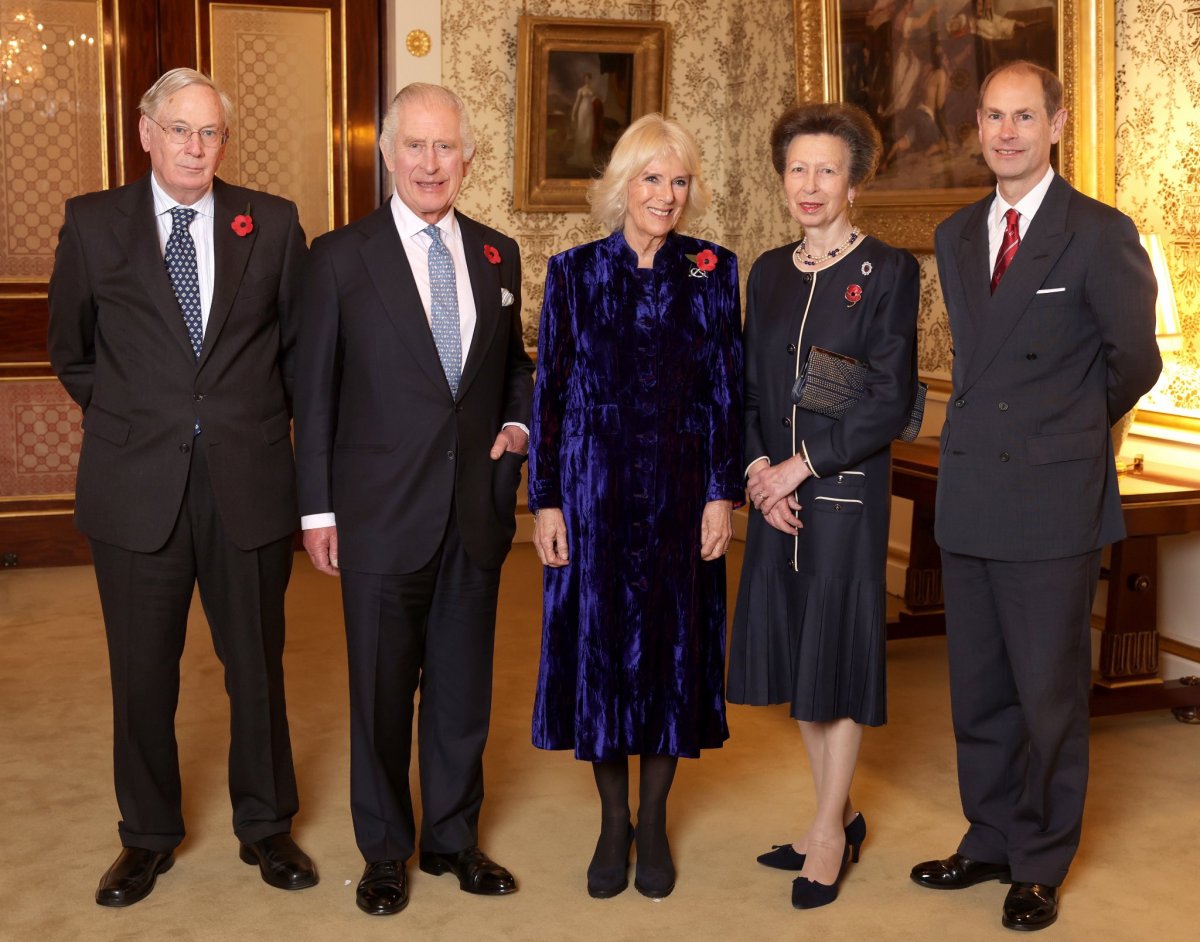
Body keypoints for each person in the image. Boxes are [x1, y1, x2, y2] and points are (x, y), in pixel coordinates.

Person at [46, 68, 316, 907]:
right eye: (180, 130)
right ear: (146, 133)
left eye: (210, 133)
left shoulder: (270, 223)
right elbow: (73, 350)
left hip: (249, 481)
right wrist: (141, 420)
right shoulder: (93, 224)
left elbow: (299, 350)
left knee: (257, 668)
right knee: (142, 674)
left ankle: (266, 826)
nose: (196, 147)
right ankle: (148, 837)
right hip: (136, 487)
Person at [910, 61, 1161, 932]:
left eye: (1025, 117)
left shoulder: (1098, 233)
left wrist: (1064, 433)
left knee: (1049, 695)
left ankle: (1041, 859)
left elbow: (1136, 362)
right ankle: (988, 836)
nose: (1007, 133)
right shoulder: (952, 233)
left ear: (1057, 124)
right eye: (992, 117)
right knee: (976, 690)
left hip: (1052, 499)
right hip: (972, 490)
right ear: (976, 127)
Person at [292, 82, 533, 917]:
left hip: (474, 512)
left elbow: (517, 371)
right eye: (416, 147)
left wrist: (518, 425)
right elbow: (314, 392)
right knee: (382, 697)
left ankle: (454, 841)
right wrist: (317, 510)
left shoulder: (499, 253)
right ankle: (386, 851)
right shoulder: (337, 257)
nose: (432, 164)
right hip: (378, 515)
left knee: (463, 696)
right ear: (387, 155)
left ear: (468, 160)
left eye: (447, 149)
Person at [528, 113, 743, 900]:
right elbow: (548, 393)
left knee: (672, 656)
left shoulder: (714, 269)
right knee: (600, 656)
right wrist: (545, 501)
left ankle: (653, 820)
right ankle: (612, 820)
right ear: (623, 185)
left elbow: (729, 392)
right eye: (652, 179)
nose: (668, 195)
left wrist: (723, 492)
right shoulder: (573, 272)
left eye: (680, 180)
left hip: (684, 494)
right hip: (593, 495)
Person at [727, 102, 920, 910]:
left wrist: (800, 468)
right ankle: (829, 812)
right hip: (777, 493)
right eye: (797, 169)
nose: (810, 185)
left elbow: (887, 398)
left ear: (854, 181)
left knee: (834, 666)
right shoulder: (768, 270)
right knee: (804, 665)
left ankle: (829, 833)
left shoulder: (887, 269)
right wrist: (758, 476)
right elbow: (745, 392)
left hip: (841, 497)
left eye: (827, 170)